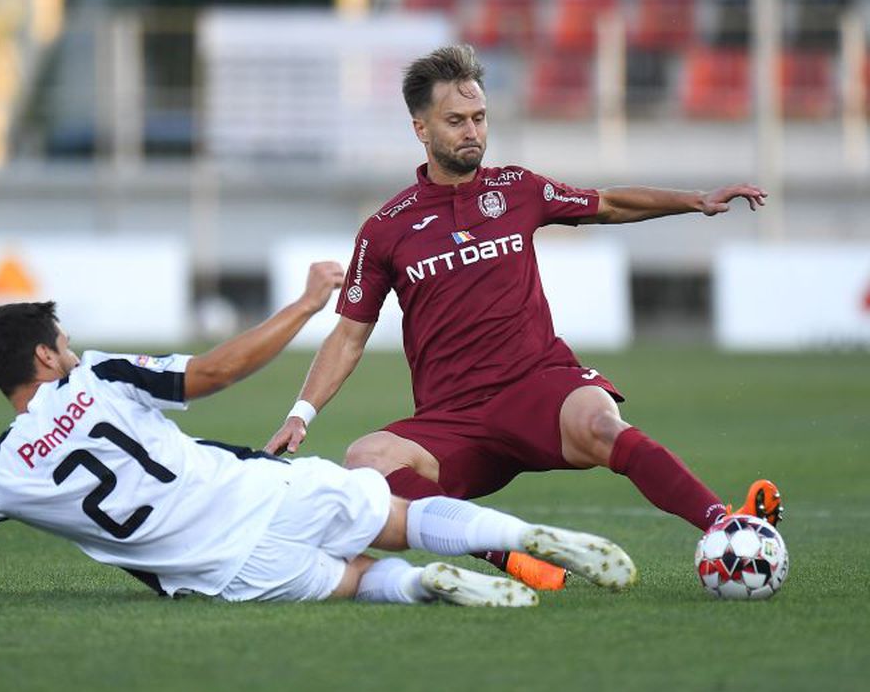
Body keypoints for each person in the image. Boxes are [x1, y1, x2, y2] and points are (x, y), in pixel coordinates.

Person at [0, 263, 636, 607]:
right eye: (61, 339)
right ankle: (517, 538)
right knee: (398, 515)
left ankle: (424, 590)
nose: (71, 347)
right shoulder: (96, 375)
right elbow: (212, 375)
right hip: (257, 486)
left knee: (359, 580)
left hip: (221, 571)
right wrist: (302, 306)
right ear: (45, 354)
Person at [264, 44, 783, 591]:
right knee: (366, 460)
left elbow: (606, 204)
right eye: (456, 120)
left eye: (480, 118)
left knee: (601, 424)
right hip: (455, 420)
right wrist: (302, 413)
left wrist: (695, 199)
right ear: (421, 129)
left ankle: (726, 524)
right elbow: (348, 336)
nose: (473, 132)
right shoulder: (386, 229)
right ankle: (516, 554)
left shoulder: (517, 189)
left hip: (538, 389)